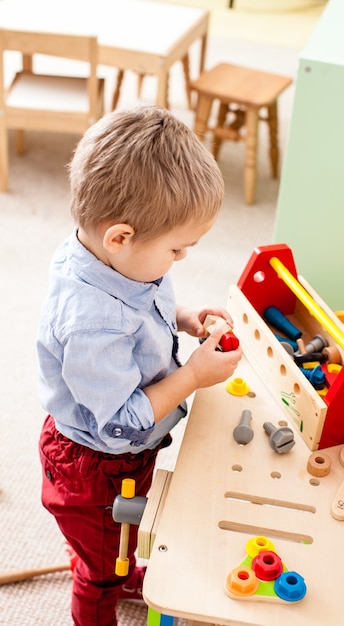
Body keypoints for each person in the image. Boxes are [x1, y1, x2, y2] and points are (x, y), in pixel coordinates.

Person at [37, 105, 242, 626]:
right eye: (176, 249)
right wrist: (192, 375)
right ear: (121, 237)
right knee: (98, 572)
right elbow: (125, 418)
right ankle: (103, 582)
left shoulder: (108, 257)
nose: (182, 260)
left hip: (120, 455)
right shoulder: (89, 322)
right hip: (96, 464)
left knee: (121, 538)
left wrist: (183, 315)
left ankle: (116, 560)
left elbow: (138, 307)